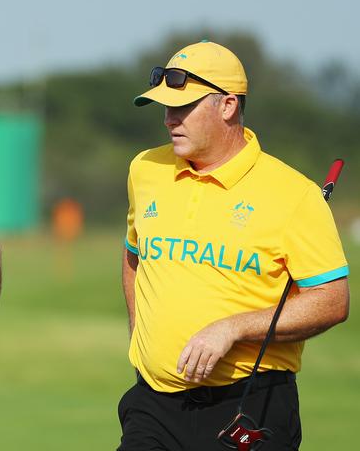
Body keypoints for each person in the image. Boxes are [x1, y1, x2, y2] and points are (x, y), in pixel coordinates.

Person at [117, 41, 349, 450]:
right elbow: (134, 256)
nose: (170, 120)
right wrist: (143, 338)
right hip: (153, 405)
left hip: (249, 404)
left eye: (183, 108)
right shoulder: (145, 169)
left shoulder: (294, 194)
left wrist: (233, 328)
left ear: (227, 106)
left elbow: (331, 301)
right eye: (166, 108)